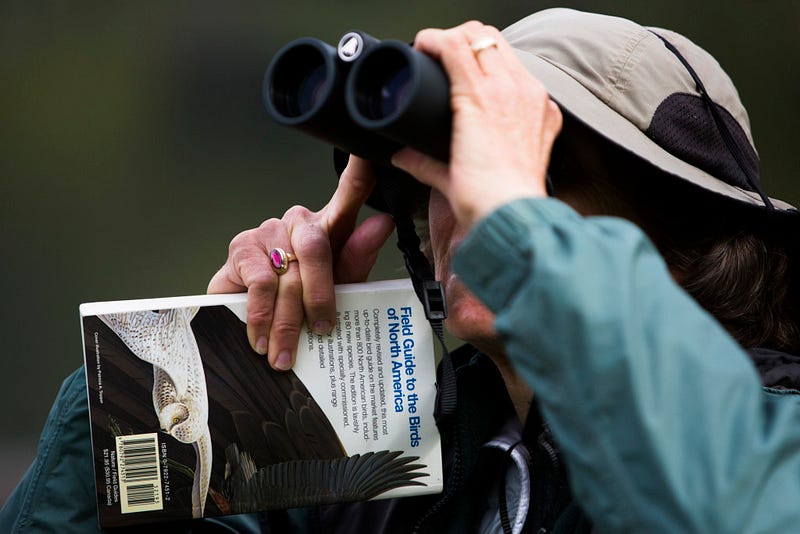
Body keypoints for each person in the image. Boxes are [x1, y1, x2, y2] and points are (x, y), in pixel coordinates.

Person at [3, 7, 799, 533]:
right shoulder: (395, 474)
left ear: (693, 229)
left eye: (531, 171)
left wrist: (525, 237)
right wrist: (190, 386)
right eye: (446, 170)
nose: (473, 209)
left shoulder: (770, 442)